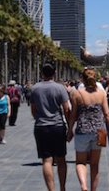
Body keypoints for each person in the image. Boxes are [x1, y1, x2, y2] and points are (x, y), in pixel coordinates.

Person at [67, 68, 109, 191]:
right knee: (95, 164)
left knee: (81, 162)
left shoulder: (77, 93)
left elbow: (73, 115)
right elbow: (107, 113)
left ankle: (83, 186)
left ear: (82, 79)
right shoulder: (101, 94)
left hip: (82, 131)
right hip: (100, 132)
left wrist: (69, 131)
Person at [31, 63, 70, 191]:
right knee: (61, 159)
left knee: (46, 161)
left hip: (41, 126)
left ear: (42, 73)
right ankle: (62, 188)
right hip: (57, 126)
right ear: (54, 73)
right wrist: (70, 127)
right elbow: (66, 109)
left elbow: (33, 110)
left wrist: (39, 117)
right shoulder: (60, 88)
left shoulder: (35, 88)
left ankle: (51, 189)